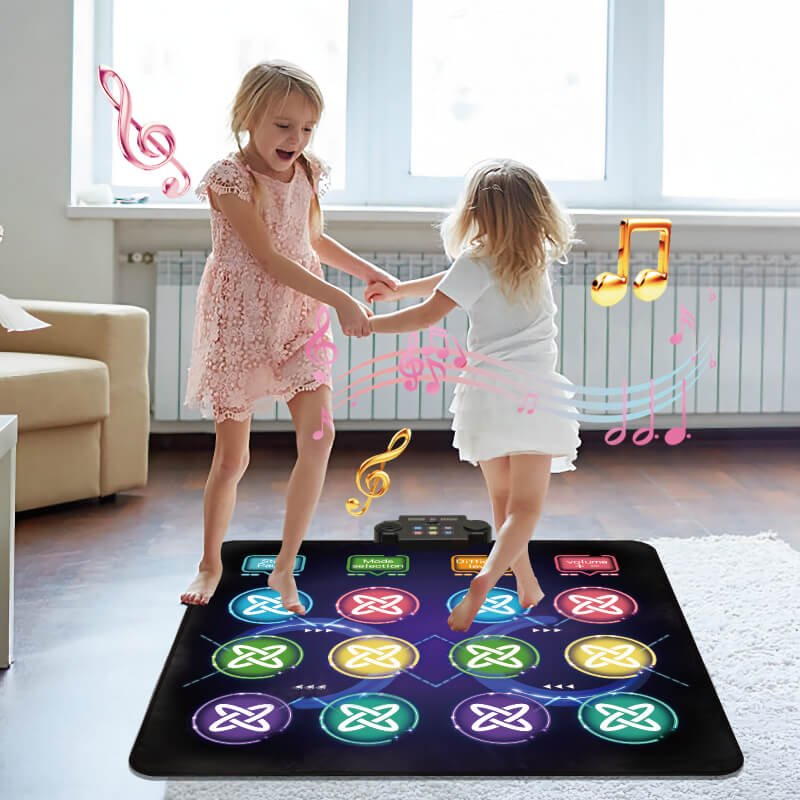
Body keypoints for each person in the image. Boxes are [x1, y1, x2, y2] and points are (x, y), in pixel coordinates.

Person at [181, 61, 397, 609]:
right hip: (241, 322)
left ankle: (284, 567)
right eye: (283, 125)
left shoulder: (306, 171)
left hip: (301, 319)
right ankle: (209, 562)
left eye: (306, 129)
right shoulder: (228, 180)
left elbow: (313, 242)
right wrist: (344, 300)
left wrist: (363, 272)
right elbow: (270, 258)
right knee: (233, 460)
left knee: (319, 439)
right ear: (248, 117)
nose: (295, 139)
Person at [365, 158, 581, 631]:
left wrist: (371, 324)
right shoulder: (536, 255)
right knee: (525, 509)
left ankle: (526, 584)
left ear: (477, 211)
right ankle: (486, 579)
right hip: (534, 395)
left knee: (503, 503)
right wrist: (401, 292)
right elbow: (452, 287)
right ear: (536, 211)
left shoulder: (476, 259)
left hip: (485, 395)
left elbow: (435, 306)